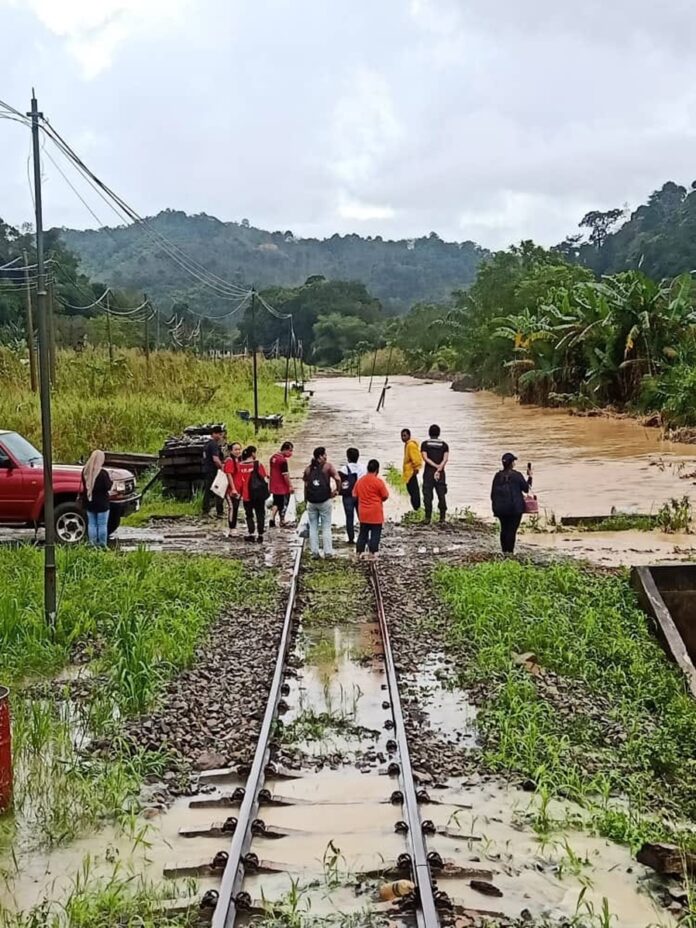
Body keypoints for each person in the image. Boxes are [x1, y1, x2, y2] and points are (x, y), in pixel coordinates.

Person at [303, 446, 341, 558]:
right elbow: (338, 478)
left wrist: (306, 500)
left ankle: (315, 552)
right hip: (325, 501)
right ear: (320, 456)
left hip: (311, 502)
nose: (326, 456)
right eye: (325, 454)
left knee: (313, 527)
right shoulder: (328, 467)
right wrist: (337, 491)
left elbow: (305, 485)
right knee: (326, 527)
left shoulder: (308, 469)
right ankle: (328, 552)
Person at [491, 453, 532, 554]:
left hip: (500, 509)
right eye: (514, 461)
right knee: (511, 531)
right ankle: (510, 552)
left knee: (504, 529)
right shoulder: (517, 475)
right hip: (515, 509)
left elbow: (492, 494)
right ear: (512, 463)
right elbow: (526, 489)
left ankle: (504, 551)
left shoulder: (497, 476)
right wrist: (530, 477)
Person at [353, 459, 389, 558]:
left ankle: (359, 552)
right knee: (375, 534)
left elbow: (354, 495)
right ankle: (373, 553)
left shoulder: (360, 481)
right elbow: (385, 495)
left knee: (363, 533)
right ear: (377, 470)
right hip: (376, 513)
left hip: (363, 513)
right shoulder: (378, 482)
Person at [82, 449, 112, 548]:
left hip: (89, 501)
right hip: (102, 503)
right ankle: (102, 545)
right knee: (102, 525)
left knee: (92, 525)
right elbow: (108, 487)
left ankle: (92, 544)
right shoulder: (103, 473)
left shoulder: (85, 471)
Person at [238, 445, 269, 543]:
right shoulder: (257, 464)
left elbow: (239, 482)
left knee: (249, 515)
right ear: (252, 453)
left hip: (247, 495)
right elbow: (264, 478)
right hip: (258, 495)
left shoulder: (240, 466)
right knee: (260, 514)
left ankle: (251, 534)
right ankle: (260, 535)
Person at [420, 424, 449, 524]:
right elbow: (445, 459)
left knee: (427, 495)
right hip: (441, 473)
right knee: (441, 494)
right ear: (439, 433)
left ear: (429, 433)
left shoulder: (425, 444)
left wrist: (435, 466)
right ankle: (442, 517)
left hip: (428, 473)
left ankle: (428, 517)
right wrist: (439, 468)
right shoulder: (444, 445)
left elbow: (425, 458)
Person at [338, 447, 366, 545]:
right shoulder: (363, 467)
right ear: (358, 457)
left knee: (349, 517)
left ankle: (351, 538)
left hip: (348, 496)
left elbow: (340, 481)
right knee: (361, 516)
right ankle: (364, 536)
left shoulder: (344, 469)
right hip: (360, 495)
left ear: (348, 457)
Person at [269, 441, 294, 528]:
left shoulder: (273, 457)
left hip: (274, 485)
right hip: (282, 486)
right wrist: (290, 485)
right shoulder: (283, 461)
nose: (291, 453)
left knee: (276, 502)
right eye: (290, 451)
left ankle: (272, 518)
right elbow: (285, 474)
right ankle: (282, 520)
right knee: (283, 503)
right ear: (285, 449)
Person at [202, 426, 224, 518]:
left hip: (207, 469)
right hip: (213, 470)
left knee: (208, 490)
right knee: (219, 490)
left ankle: (206, 509)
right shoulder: (214, 445)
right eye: (219, 434)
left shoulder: (206, 444)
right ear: (214, 433)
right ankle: (219, 511)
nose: (220, 436)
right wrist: (222, 467)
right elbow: (215, 459)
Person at [223, 441, 243, 535]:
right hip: (231, 489)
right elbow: (229, 475)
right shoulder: (230, 460)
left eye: (239, 449)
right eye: (236, 449)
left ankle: (234, 527)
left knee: (236, 507)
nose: (238, 451)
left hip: (239, 488)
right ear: (231, 450)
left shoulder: (238, 460)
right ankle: (232, 528)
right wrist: (233, 488)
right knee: (232, 507)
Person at [401, 428, 423, 511]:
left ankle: (417, 509)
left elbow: (416, 459)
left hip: (411, 473)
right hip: (408, 473)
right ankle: (416, 509)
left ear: (409, 436)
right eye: (402, 436)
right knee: (412, 492)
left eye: (404, 435)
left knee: (414, 493)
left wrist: (416, 470)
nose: (403, 437)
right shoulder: (407, 445)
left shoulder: (411, 445)